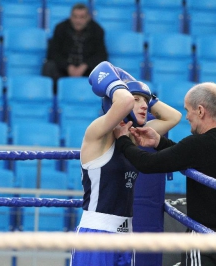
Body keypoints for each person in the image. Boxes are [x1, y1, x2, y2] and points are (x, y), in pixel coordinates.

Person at [114, 82, 216, 266]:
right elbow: (192, 156)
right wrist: (159, 141)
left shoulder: (199, 144)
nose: (186, 117)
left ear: (200, 111)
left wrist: (123, 141)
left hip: (202, 239)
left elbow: (147, 163)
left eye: (188, 110)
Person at [70, 61, 181, 266]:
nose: (143, 105)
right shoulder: (97, 133)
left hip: (125, 233)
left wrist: (144, 92)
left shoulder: (131, 136)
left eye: (145, 101)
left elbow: (173, 117)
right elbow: (122, 100)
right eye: (136, 99)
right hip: (96, 234)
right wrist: (122, 87)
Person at [42, 3, 107, 94]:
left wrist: (85, 66)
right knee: (49, 66)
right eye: (75, 16)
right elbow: (53, 53)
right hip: (64, 69)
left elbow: (101, 55)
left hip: (86, 71)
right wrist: (68, 66)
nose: (78, 20)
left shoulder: (97, 30)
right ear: (70, 17)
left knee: (103, 70)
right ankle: (53, 98)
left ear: (88, 17)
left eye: (81, 17)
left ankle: (96, 101)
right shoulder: (60, 28)